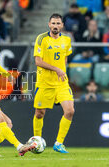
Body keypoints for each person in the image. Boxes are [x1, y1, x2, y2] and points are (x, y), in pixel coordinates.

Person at [33, 13, 75, 153]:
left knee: (70, 111)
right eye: (53, 23)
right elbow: (38, 61)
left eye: (58, 23)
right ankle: (37, 142)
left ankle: (59, 143)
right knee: (39, 113)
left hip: (61, 83)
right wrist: (56, 69)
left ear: (62, 25)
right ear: (49, 24)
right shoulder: (41, 39)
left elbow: (64, 59)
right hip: (44, 83)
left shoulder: (67, 41)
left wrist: (62, 71)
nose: (55, 26)